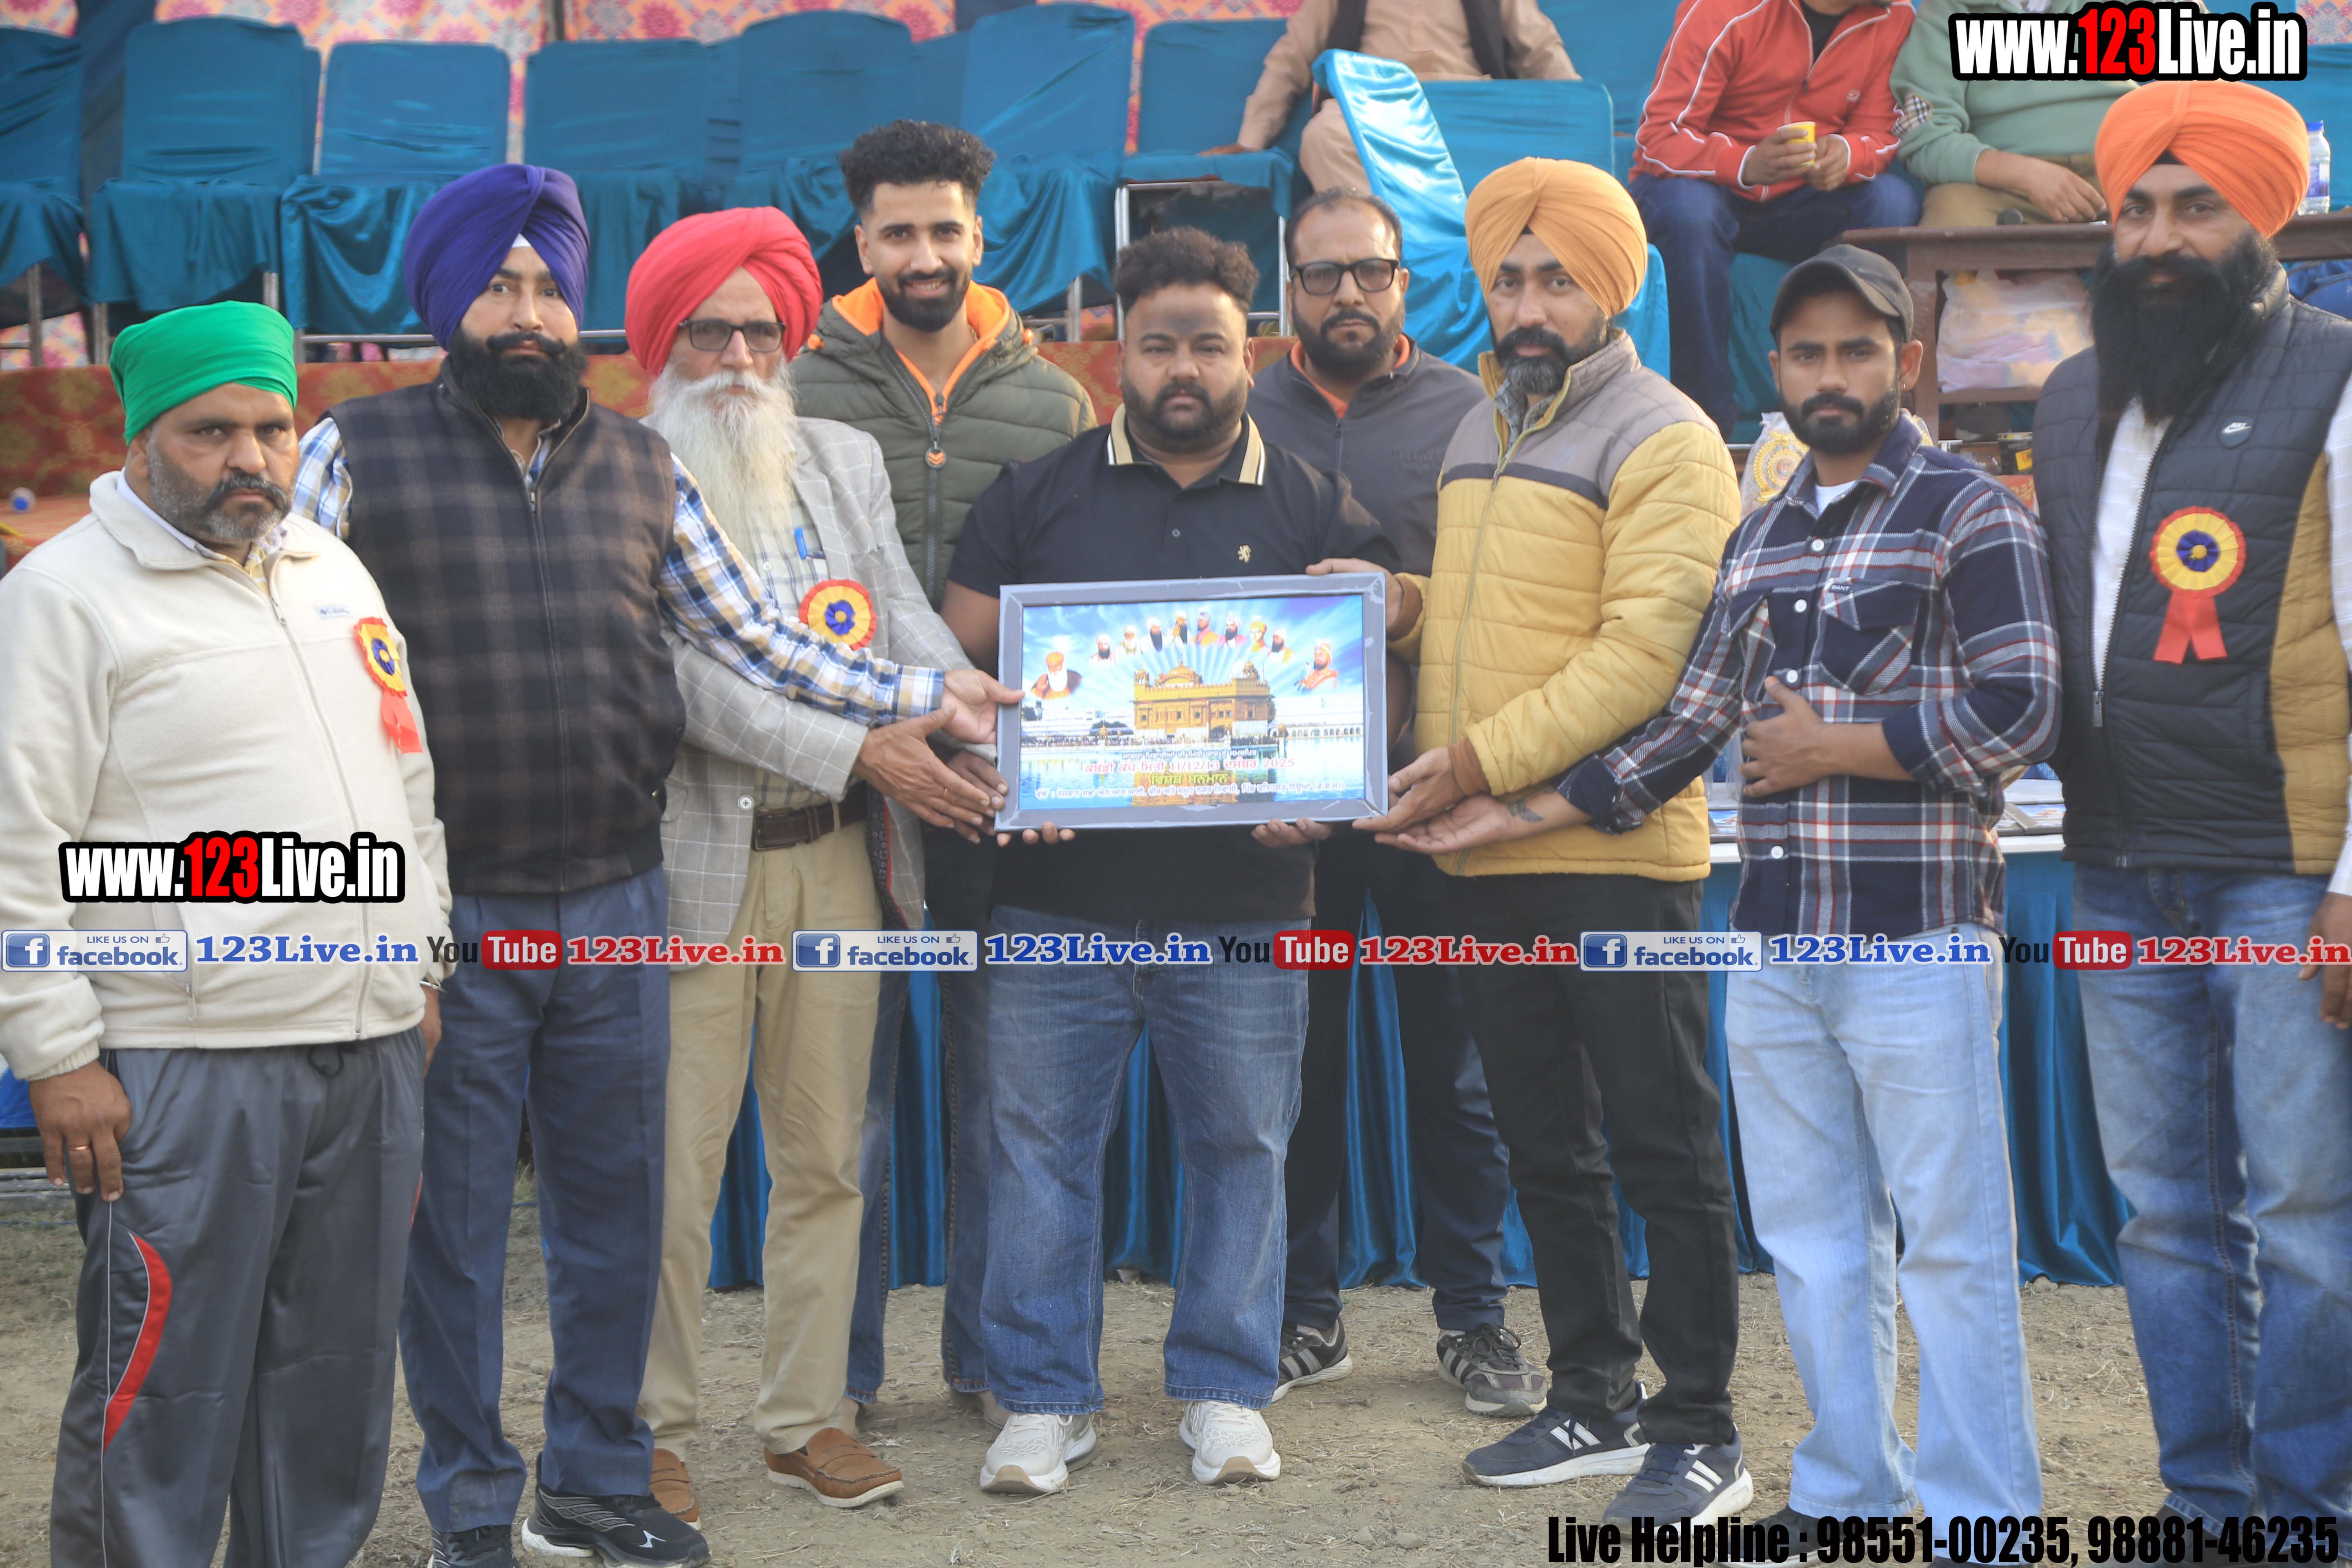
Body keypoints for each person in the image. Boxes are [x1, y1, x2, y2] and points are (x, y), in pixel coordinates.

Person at [290, 165, 1011, 1568]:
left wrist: (944, 697)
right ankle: (481, 1503)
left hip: (634, 889)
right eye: (498, 287)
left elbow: (764, 637)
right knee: (470, 1227)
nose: (526, 312)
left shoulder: (642, 467)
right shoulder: (355, 452)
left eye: (546, 288)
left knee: (646, 1203)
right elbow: (298, 650)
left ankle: (610, 1476)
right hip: (482, 904)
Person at [1398, 246, 2061, 1529]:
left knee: (1953, 1247)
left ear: (1907, 362)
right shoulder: (1759, 535)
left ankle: (1984, 1519)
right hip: (1774, 938)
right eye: (1807, 353)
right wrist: (1507, 809)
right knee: (1812, 1243)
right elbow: (1684, 728)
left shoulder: (1969, 511)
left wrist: (1839, 747)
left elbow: (2024, 707)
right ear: (1778, 370)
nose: (1831, 375)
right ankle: (1850, 1490)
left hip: (1917, 937)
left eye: (1857, 350)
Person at [1315, 160, 1749, 1521]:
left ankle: (1702, 1429)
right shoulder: (1480, 424)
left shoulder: (1669, 437)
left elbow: (1642, 654)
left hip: (1613, 853)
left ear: (1611, 288)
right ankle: (1593, 1398)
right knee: (1546, 1148)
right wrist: (1400, 603)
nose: (1527, 303)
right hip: (1486, 854)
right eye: (1508, 278)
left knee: (1667, 1152)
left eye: (1557, 278)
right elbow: (1493, 610)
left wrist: (1472, 763)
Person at [939, 227, 1401, 1495]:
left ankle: (1225, 1390)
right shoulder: (1035, 495)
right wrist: (1002, 770)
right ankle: (1042, 1400)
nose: (1183, 367)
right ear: (1117, 355)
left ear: (1250, 350)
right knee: (1038, 1156)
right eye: (1158, 345)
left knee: (1243, 1150)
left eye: (1208, 343)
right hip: (1057, 906)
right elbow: (954, 664)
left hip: (1248, 905)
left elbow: (1372, 676)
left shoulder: (1312, 503)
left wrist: (1328, 796)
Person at [0, 302, 452, 1566]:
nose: (249, 457)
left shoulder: (333, 571)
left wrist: (419, 963)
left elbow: (408, 780)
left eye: (271, 428)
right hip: (180, 1064)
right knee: (164, 1390)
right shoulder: (61, 598)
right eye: (210, 432)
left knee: (335, 1388)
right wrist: (55, 1052)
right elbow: (17, 838)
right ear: (141, 438)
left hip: (366, 1050)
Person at [622, 209, 1001, 1523]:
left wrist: (989, 725)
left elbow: (900, 616)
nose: (737, 358)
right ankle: (652, 1427)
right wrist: (866, 749)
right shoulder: (622, 468)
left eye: (759, 333)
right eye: (707, 332)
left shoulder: (838, 455)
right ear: (662, 344)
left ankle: (806, 1419)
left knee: (829, 1155)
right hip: (694, 871)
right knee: (673, 1169)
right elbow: (680, 682)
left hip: (843, 862)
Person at [2031, 81, 2352, 1523]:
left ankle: (2308, 1510)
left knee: (2309, 1217)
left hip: (2285, 868)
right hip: (2113, 863)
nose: (2158, 238)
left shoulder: (2340, 378)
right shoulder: (2068, 394)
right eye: (2137, 209)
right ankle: (2204, 1506)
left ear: (2264, 217)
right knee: (2163, 1215)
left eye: (2196, 207)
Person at [790, 120, 1095, 1434]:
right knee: (844, 1111)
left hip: (995, 802)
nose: (924, 255)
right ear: (861, 241)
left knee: (1003, 1098)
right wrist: (864, 739)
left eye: (946, 232)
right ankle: (842, 1378)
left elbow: (1080, 598)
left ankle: (990, 1360)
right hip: (838, 797)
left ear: (982, 235)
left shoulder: (1054, 400)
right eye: (898, 233)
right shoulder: (795, 386)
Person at [1243, 185, 1532, 1416]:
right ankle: (1304, 1312)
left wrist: (1405, 602)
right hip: (1283, 818)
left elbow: (1505, 589)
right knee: (1294, 1068)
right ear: (1289, 290)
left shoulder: (1472, 412)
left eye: (1370, 271)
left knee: (1456, 1071)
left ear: (1406, 282)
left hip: (1430, 801)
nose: (1347, 294)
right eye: (1322, 275)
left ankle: (1474, 1316)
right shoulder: (1240, 408)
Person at [1631, 0, 1921, 436]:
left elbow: (1880, 130)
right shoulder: (1724, 7)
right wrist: (1745, 163)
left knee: (1890, 204)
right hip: (1703, 184)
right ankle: (1701, 423)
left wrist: (1847, 155)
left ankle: (1866, 408)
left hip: (1802, 195)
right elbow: (1658, 137)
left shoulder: (1895, 14)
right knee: (1690, 215)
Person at [1205, 0, 1576, 191]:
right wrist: (1251, 140)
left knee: (1528, 150)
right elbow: (1294, 54)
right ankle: (1385, 251)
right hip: (1374, 101)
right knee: (1323, 137)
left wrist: (1586, 118)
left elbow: (1538, 47)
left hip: (1469, 104)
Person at [1892, 0, 2154, 226]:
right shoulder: (1947, 10)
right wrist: (2026, 175)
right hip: (2002, 189)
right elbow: (1925, 136)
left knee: (2171, 208)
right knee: (1951, 220)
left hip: (2122, 173)